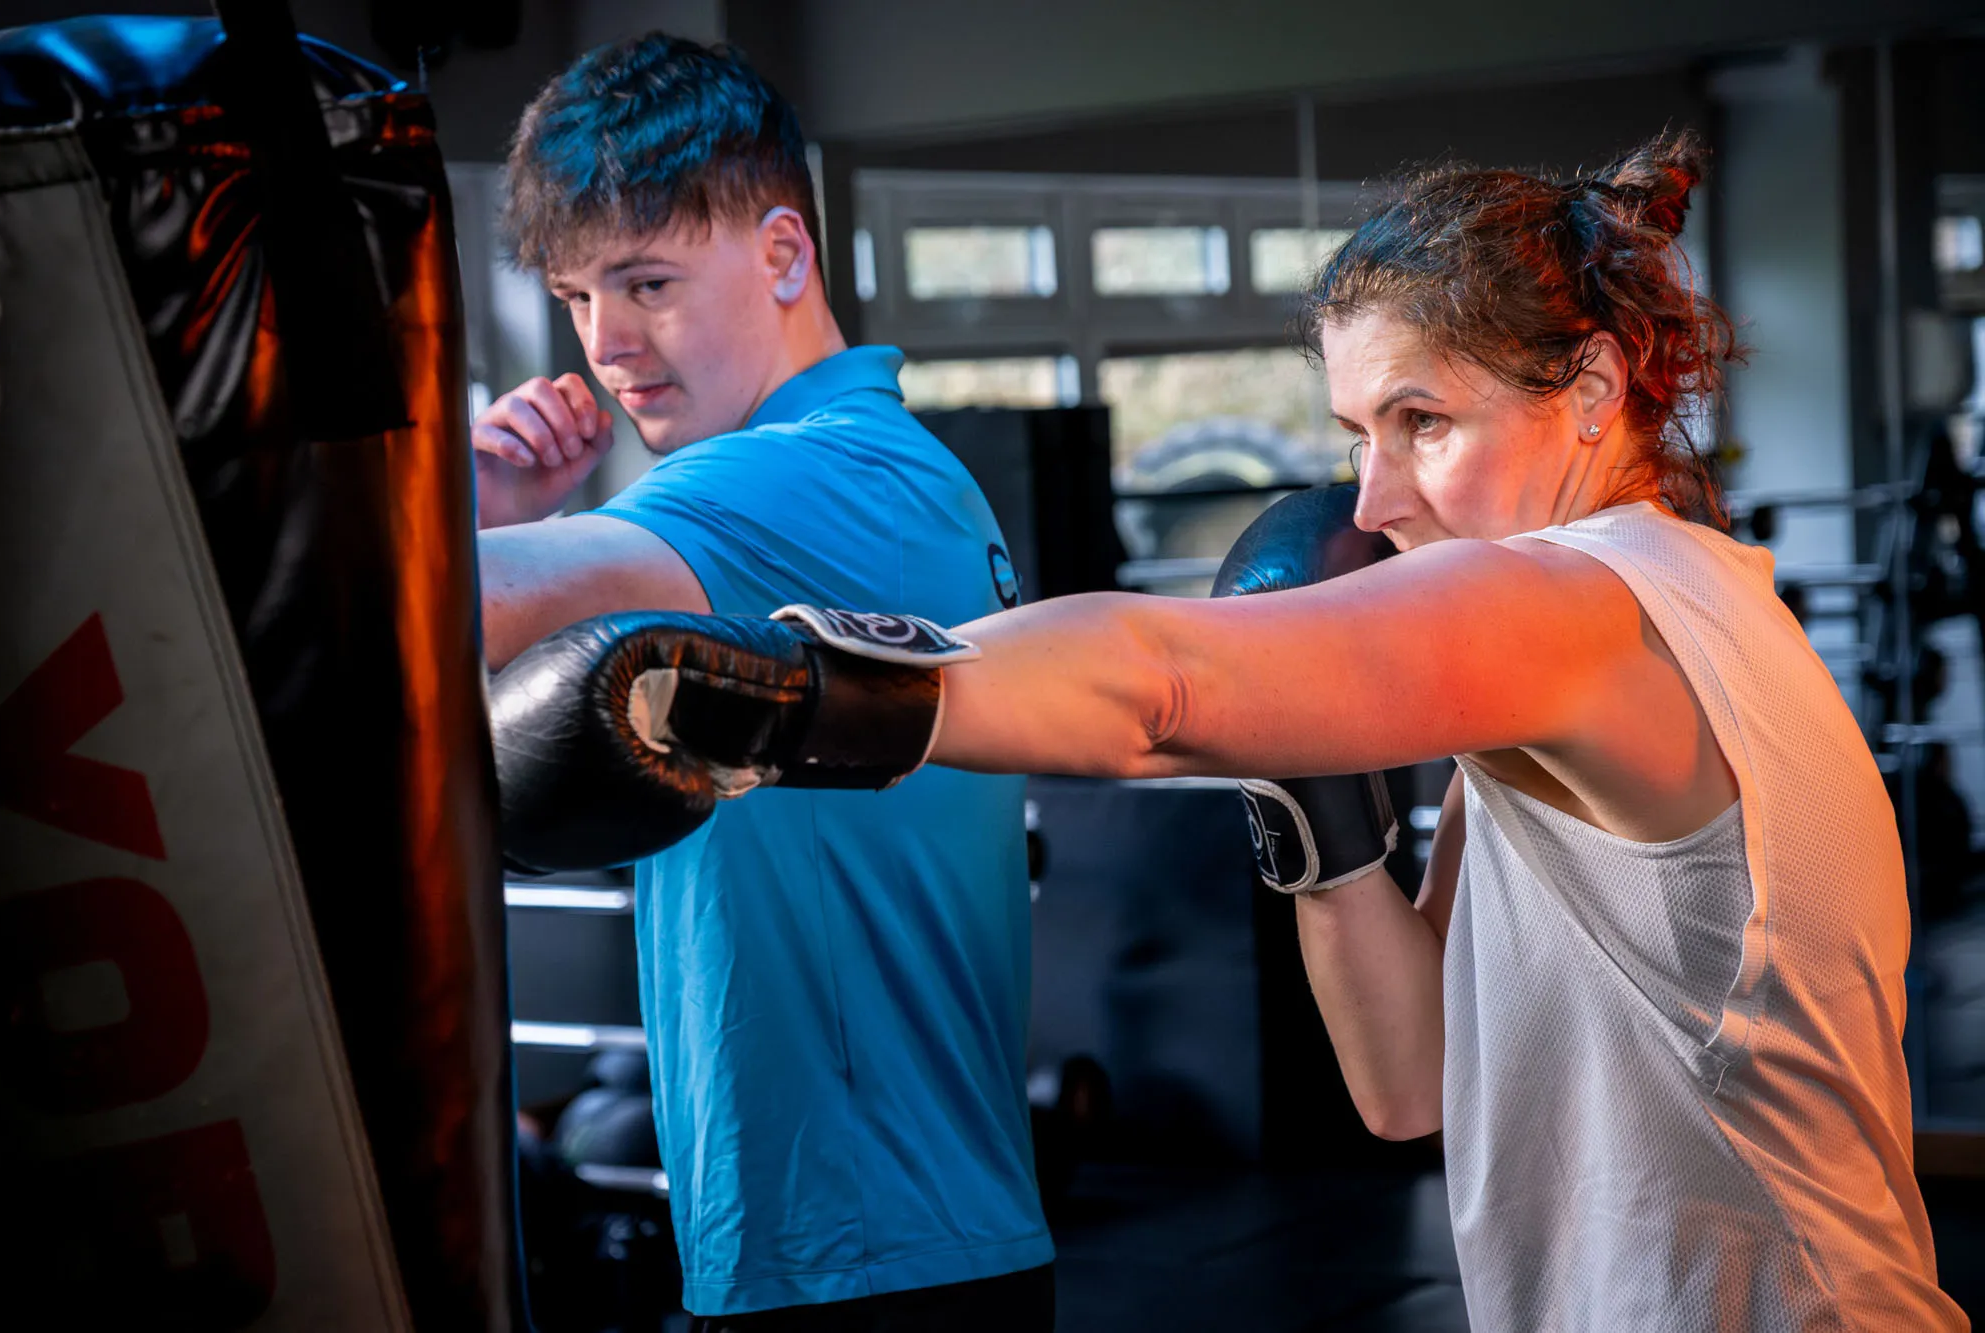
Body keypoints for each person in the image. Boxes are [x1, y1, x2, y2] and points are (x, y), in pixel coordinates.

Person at [492, 131, 1968, 1330]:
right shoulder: (1617, 640)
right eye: (1352, 438)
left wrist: (778, 697)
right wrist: (1314, 795)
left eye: (1423, 424)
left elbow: (1165, 681)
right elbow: (1411, 1088)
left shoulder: (1585, 605)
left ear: (1588, 390)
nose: (1374, 501)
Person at [474, 34, 1054, 1330]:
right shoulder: (889, 469)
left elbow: (437, 605)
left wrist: (465, 502)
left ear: (784, 254)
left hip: (864, 1247)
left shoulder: (806, 479)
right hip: (878, 1237)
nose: (607, 343)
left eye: (648, 281)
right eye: (575, 296)